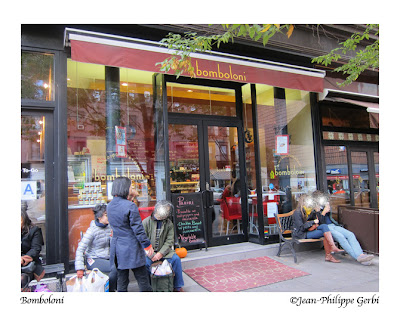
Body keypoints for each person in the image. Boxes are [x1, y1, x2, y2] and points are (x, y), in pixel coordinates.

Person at [107, 177, 154, 292]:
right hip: (131, 247)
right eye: (130, 187)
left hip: (117, 247)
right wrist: (147, 245)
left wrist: (131, 196)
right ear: (125, 188)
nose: (131, 188)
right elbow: (138, 229)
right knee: (143, 281)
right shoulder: (130, 206)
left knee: (122, 281)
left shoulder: (110, 205)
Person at [310, 191, 374, 265]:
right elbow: (318, 223)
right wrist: (323, 212)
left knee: (350, 234)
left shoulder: (324, 205)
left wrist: (327, 208)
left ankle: (361, 255)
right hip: (325, 228)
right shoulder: (314, 209)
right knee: (341, 237)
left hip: (333, 225)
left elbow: (330, 217)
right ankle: (358, 257)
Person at [142, 200, 184, 292]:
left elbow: (169, 241)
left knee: (176, 259)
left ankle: (177, 286)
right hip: (149, 253)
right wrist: (151, 255)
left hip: (164, 253)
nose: (166, 213)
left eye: (168, 211)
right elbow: (142, 240)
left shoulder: (169, 224)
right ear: (157, 210)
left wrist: (161, 253)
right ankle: (148, 287)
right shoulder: (146, 222)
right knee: (144, 264)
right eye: (165, 210)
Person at [75, 204, 117, 291]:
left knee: (122, 267)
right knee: (114, 269)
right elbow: (80, 249)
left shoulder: (111, 227)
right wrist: (80, 268)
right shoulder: (92, 230)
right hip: (94, 258)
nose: (109, 216)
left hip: (107, 257)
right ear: (99, 217)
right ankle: (111, 291)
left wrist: (113, 237)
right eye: (106, 215)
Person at [292, 194, 344, 263]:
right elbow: (301, 228)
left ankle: (332, 248)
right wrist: (313, 222)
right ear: (303, 202)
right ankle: (329, 253)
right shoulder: (297, 212)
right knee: (325, 233)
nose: (310, 204)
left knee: (325, 227)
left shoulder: (309, 211)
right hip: (301, 234)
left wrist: (318, 212)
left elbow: (321, 223)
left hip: (309, 230)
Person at [21, 207, 45, 290]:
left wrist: (23, 259)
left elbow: (35, 249)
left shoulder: (34, 230)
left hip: (28, 264)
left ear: (24, 219)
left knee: (21, 279)